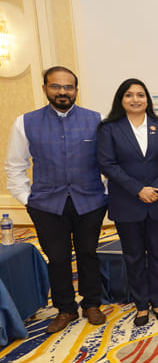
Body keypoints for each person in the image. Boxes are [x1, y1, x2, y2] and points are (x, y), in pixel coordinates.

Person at [4, 66, 108, 333]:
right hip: (47, 205)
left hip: (90, 202)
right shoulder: (25, 122)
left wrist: (106, 193)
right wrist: (27, 199)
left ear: (76, 90)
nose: (63, 92)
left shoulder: (97, 120)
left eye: (68, 87)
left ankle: (92, 303)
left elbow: (109, 162)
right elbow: (15, 165)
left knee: (88, 254)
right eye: (56, 86)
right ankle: (65, 309)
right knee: (58, 258)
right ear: (45, 89)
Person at [98, 79, 158, 326]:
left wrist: (156, 189)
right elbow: (107, 164)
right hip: (127, 202)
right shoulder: (109, 128)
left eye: (140, 95)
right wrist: (138, 189)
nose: (135, 99)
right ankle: (141, 305)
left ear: (147, 99)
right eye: (129, 95)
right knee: (133, 256)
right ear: (120, 99)